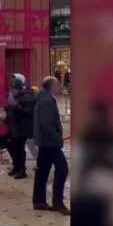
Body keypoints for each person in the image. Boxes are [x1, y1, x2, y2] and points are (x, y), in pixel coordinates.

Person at [33, 76, 70, 215]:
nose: (59, 86)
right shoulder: (47, 100)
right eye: (57, 84)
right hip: (50, 143)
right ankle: (58, 202)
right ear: (51, 86)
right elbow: (46, 124)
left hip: (45, 142)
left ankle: (39, 201)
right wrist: (57, 138)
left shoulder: (43, 98)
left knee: (42, 171)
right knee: (62, 169)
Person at [5, 73, 36, 179]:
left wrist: (15, 106)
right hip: (13, 127)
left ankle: (21, 170)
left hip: (22, 128)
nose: (11, 91)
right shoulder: (13, 97)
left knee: (19, 148)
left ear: (19, 89)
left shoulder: (27, 97)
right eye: (11, 88)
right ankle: (16, 167)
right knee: (11, 146)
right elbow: (10, 110)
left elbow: (28, 111)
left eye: (13, 89)